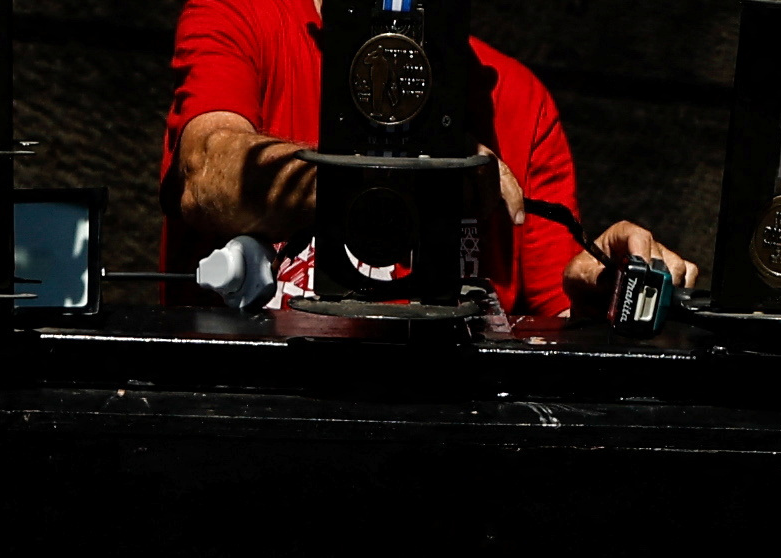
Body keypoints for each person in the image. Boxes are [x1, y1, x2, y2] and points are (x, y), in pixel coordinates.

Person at [162, 0, 688, 319]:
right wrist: (418, 173)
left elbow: (551, 325)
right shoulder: (244, 17)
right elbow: (209, 174)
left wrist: (600, 295)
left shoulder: (517, 98)